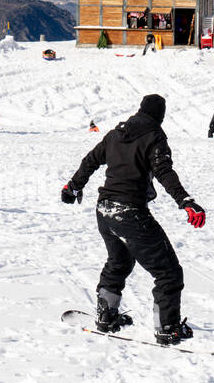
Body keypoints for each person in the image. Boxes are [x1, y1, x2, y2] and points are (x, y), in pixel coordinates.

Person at [60, 94, 206, 346]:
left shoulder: (116, 133)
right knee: (168, 272)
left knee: (119, 261)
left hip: (105, 210)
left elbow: (91, 160)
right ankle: (168, 329)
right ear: (159, 115)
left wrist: (73, 186)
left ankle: (106, 316)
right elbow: (164, 171)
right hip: (129, 212)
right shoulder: (154, 136)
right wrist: (185, 200)